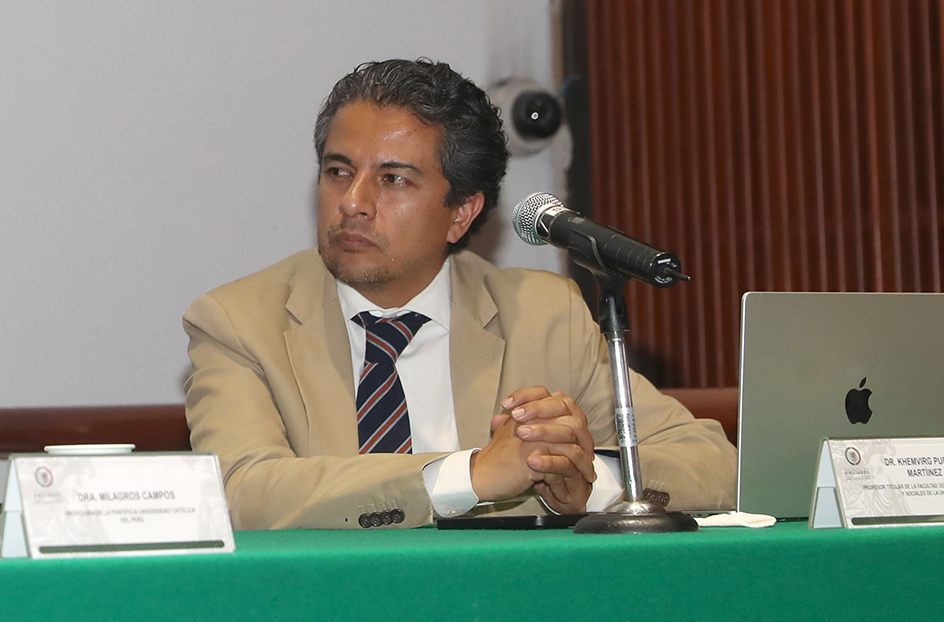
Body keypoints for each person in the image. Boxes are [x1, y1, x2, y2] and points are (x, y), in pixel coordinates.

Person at [184, 58, 736, 529]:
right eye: (338, 171)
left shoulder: (545, 317)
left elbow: (717, 466)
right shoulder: (239, 322)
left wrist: (583, 478)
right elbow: (237, 493)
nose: (352, 202)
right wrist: (467, 477)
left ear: (461, 213)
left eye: (393, 179)